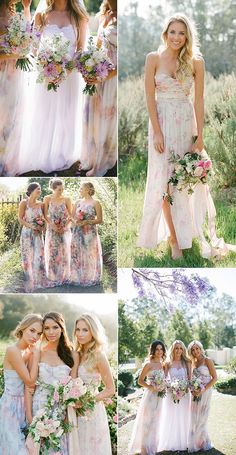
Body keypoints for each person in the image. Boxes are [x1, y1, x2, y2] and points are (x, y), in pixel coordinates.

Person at [137, 13, 235, 260]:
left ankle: (185, 231)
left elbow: (199, 100)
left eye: (182, 33)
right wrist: (157, 131)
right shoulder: (153, 59)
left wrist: (199, 136)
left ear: (187, 36)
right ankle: (173, 239)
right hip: (161, 125)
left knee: (183, 181)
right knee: (163, 182)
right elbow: (150, 97)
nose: (177, 37)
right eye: (173, 32)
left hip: (185, 124)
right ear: (165, 33)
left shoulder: (196, 62)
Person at [8, 0, 88, 175]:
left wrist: (65, 70)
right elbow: (34, 48)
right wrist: (46, 65)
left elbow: (81, 48)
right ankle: (42, 152)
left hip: (69, 75)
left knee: (66, 114)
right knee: (44, 112)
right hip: (45, 73)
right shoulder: (41, 16)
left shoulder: (79, 17)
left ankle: (63, 152)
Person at [25, 312, 78, 454]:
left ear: (62, 328)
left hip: (59, 411)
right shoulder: (38, 352)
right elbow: (29, 385)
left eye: (55, 327)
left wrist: (66, 416)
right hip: (38, 408)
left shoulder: (72, 354)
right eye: (47, 328)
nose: (51, 332)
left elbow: (72, 389)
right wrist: (30, 416)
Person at [79, 0, 117, 176]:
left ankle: (102, 161)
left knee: (106, 119)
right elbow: (98, 46)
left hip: (112, 78)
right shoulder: (104, 13)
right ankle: (92, 158)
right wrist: (90, 67)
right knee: (92, 116)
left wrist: (106, 74)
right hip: (99, 74)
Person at [0, 314, 42, 454]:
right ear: (23, 328)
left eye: (39, 333)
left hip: (25, 405)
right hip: (10, 407)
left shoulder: (29, 351)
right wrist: (36, 356)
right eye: (32, 330)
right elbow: (30, 381)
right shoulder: (13, 350)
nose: (35, 336)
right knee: (15, 449)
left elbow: (31, 384)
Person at [74, 313, 115, 454]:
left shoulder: (98, 355)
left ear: (93, 331)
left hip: (92, 409)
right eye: (78, 329)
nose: (80, 334)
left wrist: (87, 401)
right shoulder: (76, 354)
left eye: (85, 330)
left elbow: (110, 389)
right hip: (75, 409)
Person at [0, 0, 31, 175]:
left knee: (13, 118)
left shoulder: (15, 15)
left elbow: (27, 33)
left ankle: (9, 162)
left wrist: (26, 8)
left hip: (14, 76)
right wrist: (14, 54)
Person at [129, 340, 166, 455]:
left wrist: (163, 386)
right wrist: (151, 387)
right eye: (157, 349)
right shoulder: (148, 364)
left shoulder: (163, 364)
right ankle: (144, 448)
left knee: (157, 421)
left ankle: (153, 446)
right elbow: (139, 381)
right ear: (153, 351)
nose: (159, 352)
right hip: (150, 396)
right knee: (147, 421)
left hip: (161, 396)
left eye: (161, 349)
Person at [158, 340, 191, 451]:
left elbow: (189, 379)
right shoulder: (168, 363)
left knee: (183, 416)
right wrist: (172, 388)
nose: (178, 350)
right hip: (171, 394)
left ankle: (184, 441)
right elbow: (165, 379)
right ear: (173, 349)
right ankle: (171, 441)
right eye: (176, 348)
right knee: (171, 416)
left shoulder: (187, 362)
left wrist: (184, 389)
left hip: (185, 394)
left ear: (183, 350)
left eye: (180, 348)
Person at [71, 182, 103, 286]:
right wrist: (75, 221)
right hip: (77, 231)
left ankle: (90, 276)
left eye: (81, 188)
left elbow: (100, 220)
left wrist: (87, 222)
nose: (80, 190)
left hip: (90, 232)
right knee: (77, 252)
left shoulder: (96, 203)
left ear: (88, 189)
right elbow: (71, 217)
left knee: (89, 253)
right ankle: (78, 276)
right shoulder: (78, 202)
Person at [188, 340, 217, 452]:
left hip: (205, 392)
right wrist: (192, 389)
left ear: (201, 348)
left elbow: (214, 378)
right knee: (194, 417)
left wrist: (202, 390)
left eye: (197, 348)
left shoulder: (207, 360)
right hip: (195, 393)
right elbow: (191, 379)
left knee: (202, 417)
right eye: (193, 350)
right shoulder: (193, 362)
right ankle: (196, 441)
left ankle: (203, 442)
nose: (195, 351)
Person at [18, 182, 48, 292]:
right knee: (27, 255)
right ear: (31, 191)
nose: (39, 191)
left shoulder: (41, 204)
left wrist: (43, 227)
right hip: (27, 232)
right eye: (38, 189)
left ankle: (39, 279)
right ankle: (29, 279)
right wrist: (31, 226)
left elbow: (44, 218)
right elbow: (20, 219)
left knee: (39, 255)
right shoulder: (23, 203)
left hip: (38, 234)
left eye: (40, 189)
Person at [44, 178, 72, 285]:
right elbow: (45, 215)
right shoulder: (47, 199)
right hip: (52, 229)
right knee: (53, 252)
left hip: (65, 229)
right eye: (59, 189)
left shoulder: (67, 199)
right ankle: (53, 275)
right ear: (53, 189)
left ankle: (65, 276)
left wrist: (65, 227)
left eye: (62, 189)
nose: (61, 191)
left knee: (65, 252)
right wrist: (52, 225)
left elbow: (71, 215)